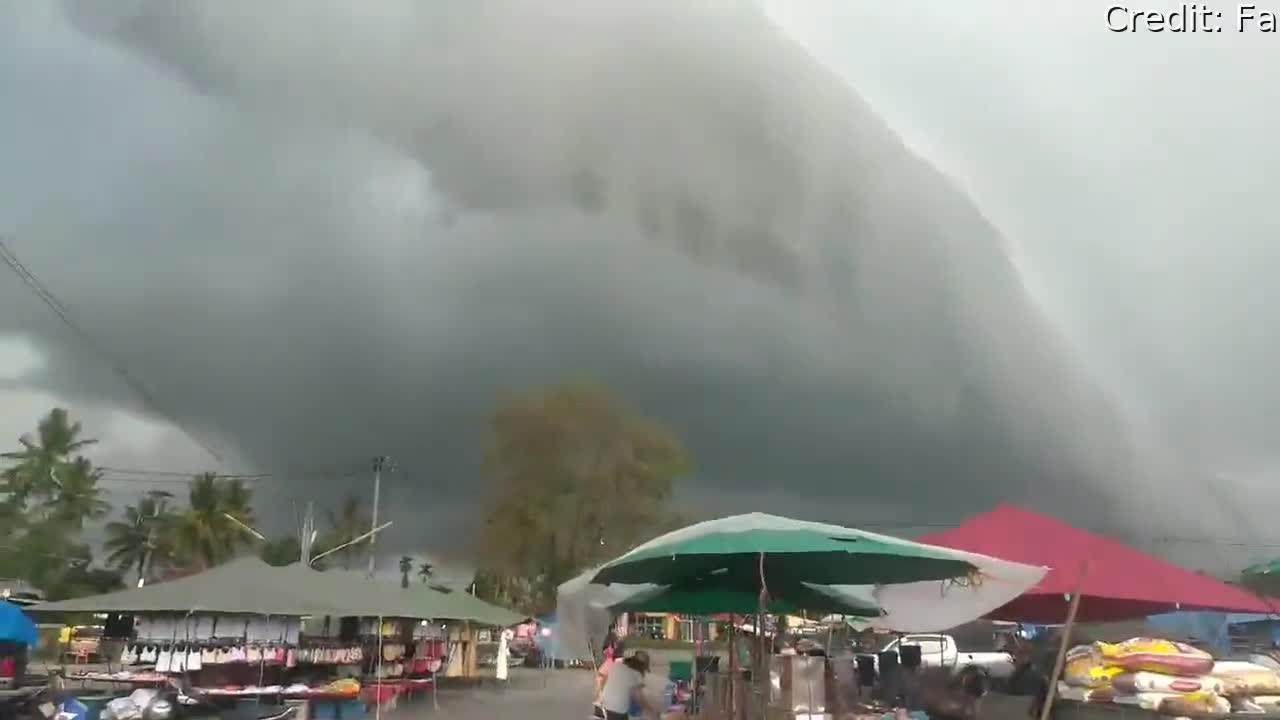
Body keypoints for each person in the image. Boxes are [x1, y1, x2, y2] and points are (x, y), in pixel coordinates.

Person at [599, 650, 659, 720]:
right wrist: (653, 712)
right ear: (642, 666)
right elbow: (640, 699)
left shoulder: (618, 666)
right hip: (619, 709)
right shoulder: (637, 674)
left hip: (605, 703)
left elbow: (603, 681)